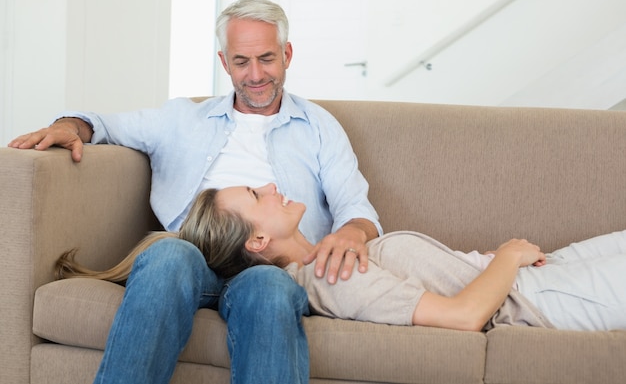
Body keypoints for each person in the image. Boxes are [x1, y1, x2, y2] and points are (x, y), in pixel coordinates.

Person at [8, 0, 382, 384]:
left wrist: (353, 231)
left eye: (267, 59)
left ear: (287, 54)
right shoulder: (182, 119)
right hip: (194, 257)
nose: (255, 74)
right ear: (224, 62)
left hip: (272, 265)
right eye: (241, 61)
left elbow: (356, 207)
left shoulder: (319, 126)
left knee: (269, 287)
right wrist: (69, 127)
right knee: (169, 254)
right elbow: (100, 123)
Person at [58, 183, 626, 332]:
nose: (270, 186)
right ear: (258, 244)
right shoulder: (329, 280)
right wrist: (506, 257)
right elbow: (464, 318)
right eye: (257, 197)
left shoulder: (337, 250)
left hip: (545, 271)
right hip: (541, 300)